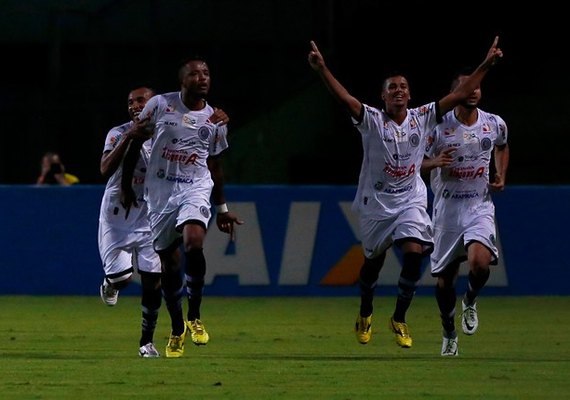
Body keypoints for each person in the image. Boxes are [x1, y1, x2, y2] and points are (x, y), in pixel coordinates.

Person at [307, 37, 503, 349]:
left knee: (414, 253)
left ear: (410, 94)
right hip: (377, 204)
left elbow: (463, 93)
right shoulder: (371, 119)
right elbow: (344, 98)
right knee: (373, 262)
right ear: (382, 97)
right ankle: (365, 310)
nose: (399, 90)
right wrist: (322, 69)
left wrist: (486, 64)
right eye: (392, 87)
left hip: (410, 199)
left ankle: (399, 317)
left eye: (403, 86)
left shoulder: (423, 117)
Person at [120, 55, 244, 358]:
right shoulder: (161, 105)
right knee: (169, 266)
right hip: (161, 194)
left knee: (193, 241)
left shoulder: (216, 120)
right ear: (183, 80)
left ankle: (195, 315)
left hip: (195, 188)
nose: (202, 77)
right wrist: (125, 185)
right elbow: (136, 140)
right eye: (195, 74)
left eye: (206, 73)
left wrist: (223, 208)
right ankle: (177, 328)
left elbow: (214, 166)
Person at [422, 69, 509, 356]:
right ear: (455, 94)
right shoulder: (436, 128)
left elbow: (502, 146)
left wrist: (501, 173)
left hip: (478, 205)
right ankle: (448, 331)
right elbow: (414, 161)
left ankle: (470, 300)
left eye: (477, 87)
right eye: (466, 87)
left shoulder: (493, 123)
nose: (473, 91)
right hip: (447, 210)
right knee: (445, 280)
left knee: (480, 263)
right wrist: (434, 162)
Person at [98, 86, 164, 357]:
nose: (135, 105)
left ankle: (146, 342)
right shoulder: (117, 132)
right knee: (123, 278)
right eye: (130, 102)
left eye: (141, 100)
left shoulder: (167, 132)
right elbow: (105, 169)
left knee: (153, 282)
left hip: (151, 213)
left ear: (154, 103)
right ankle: (110, 283)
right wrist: (129, 135)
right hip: (119, 212)